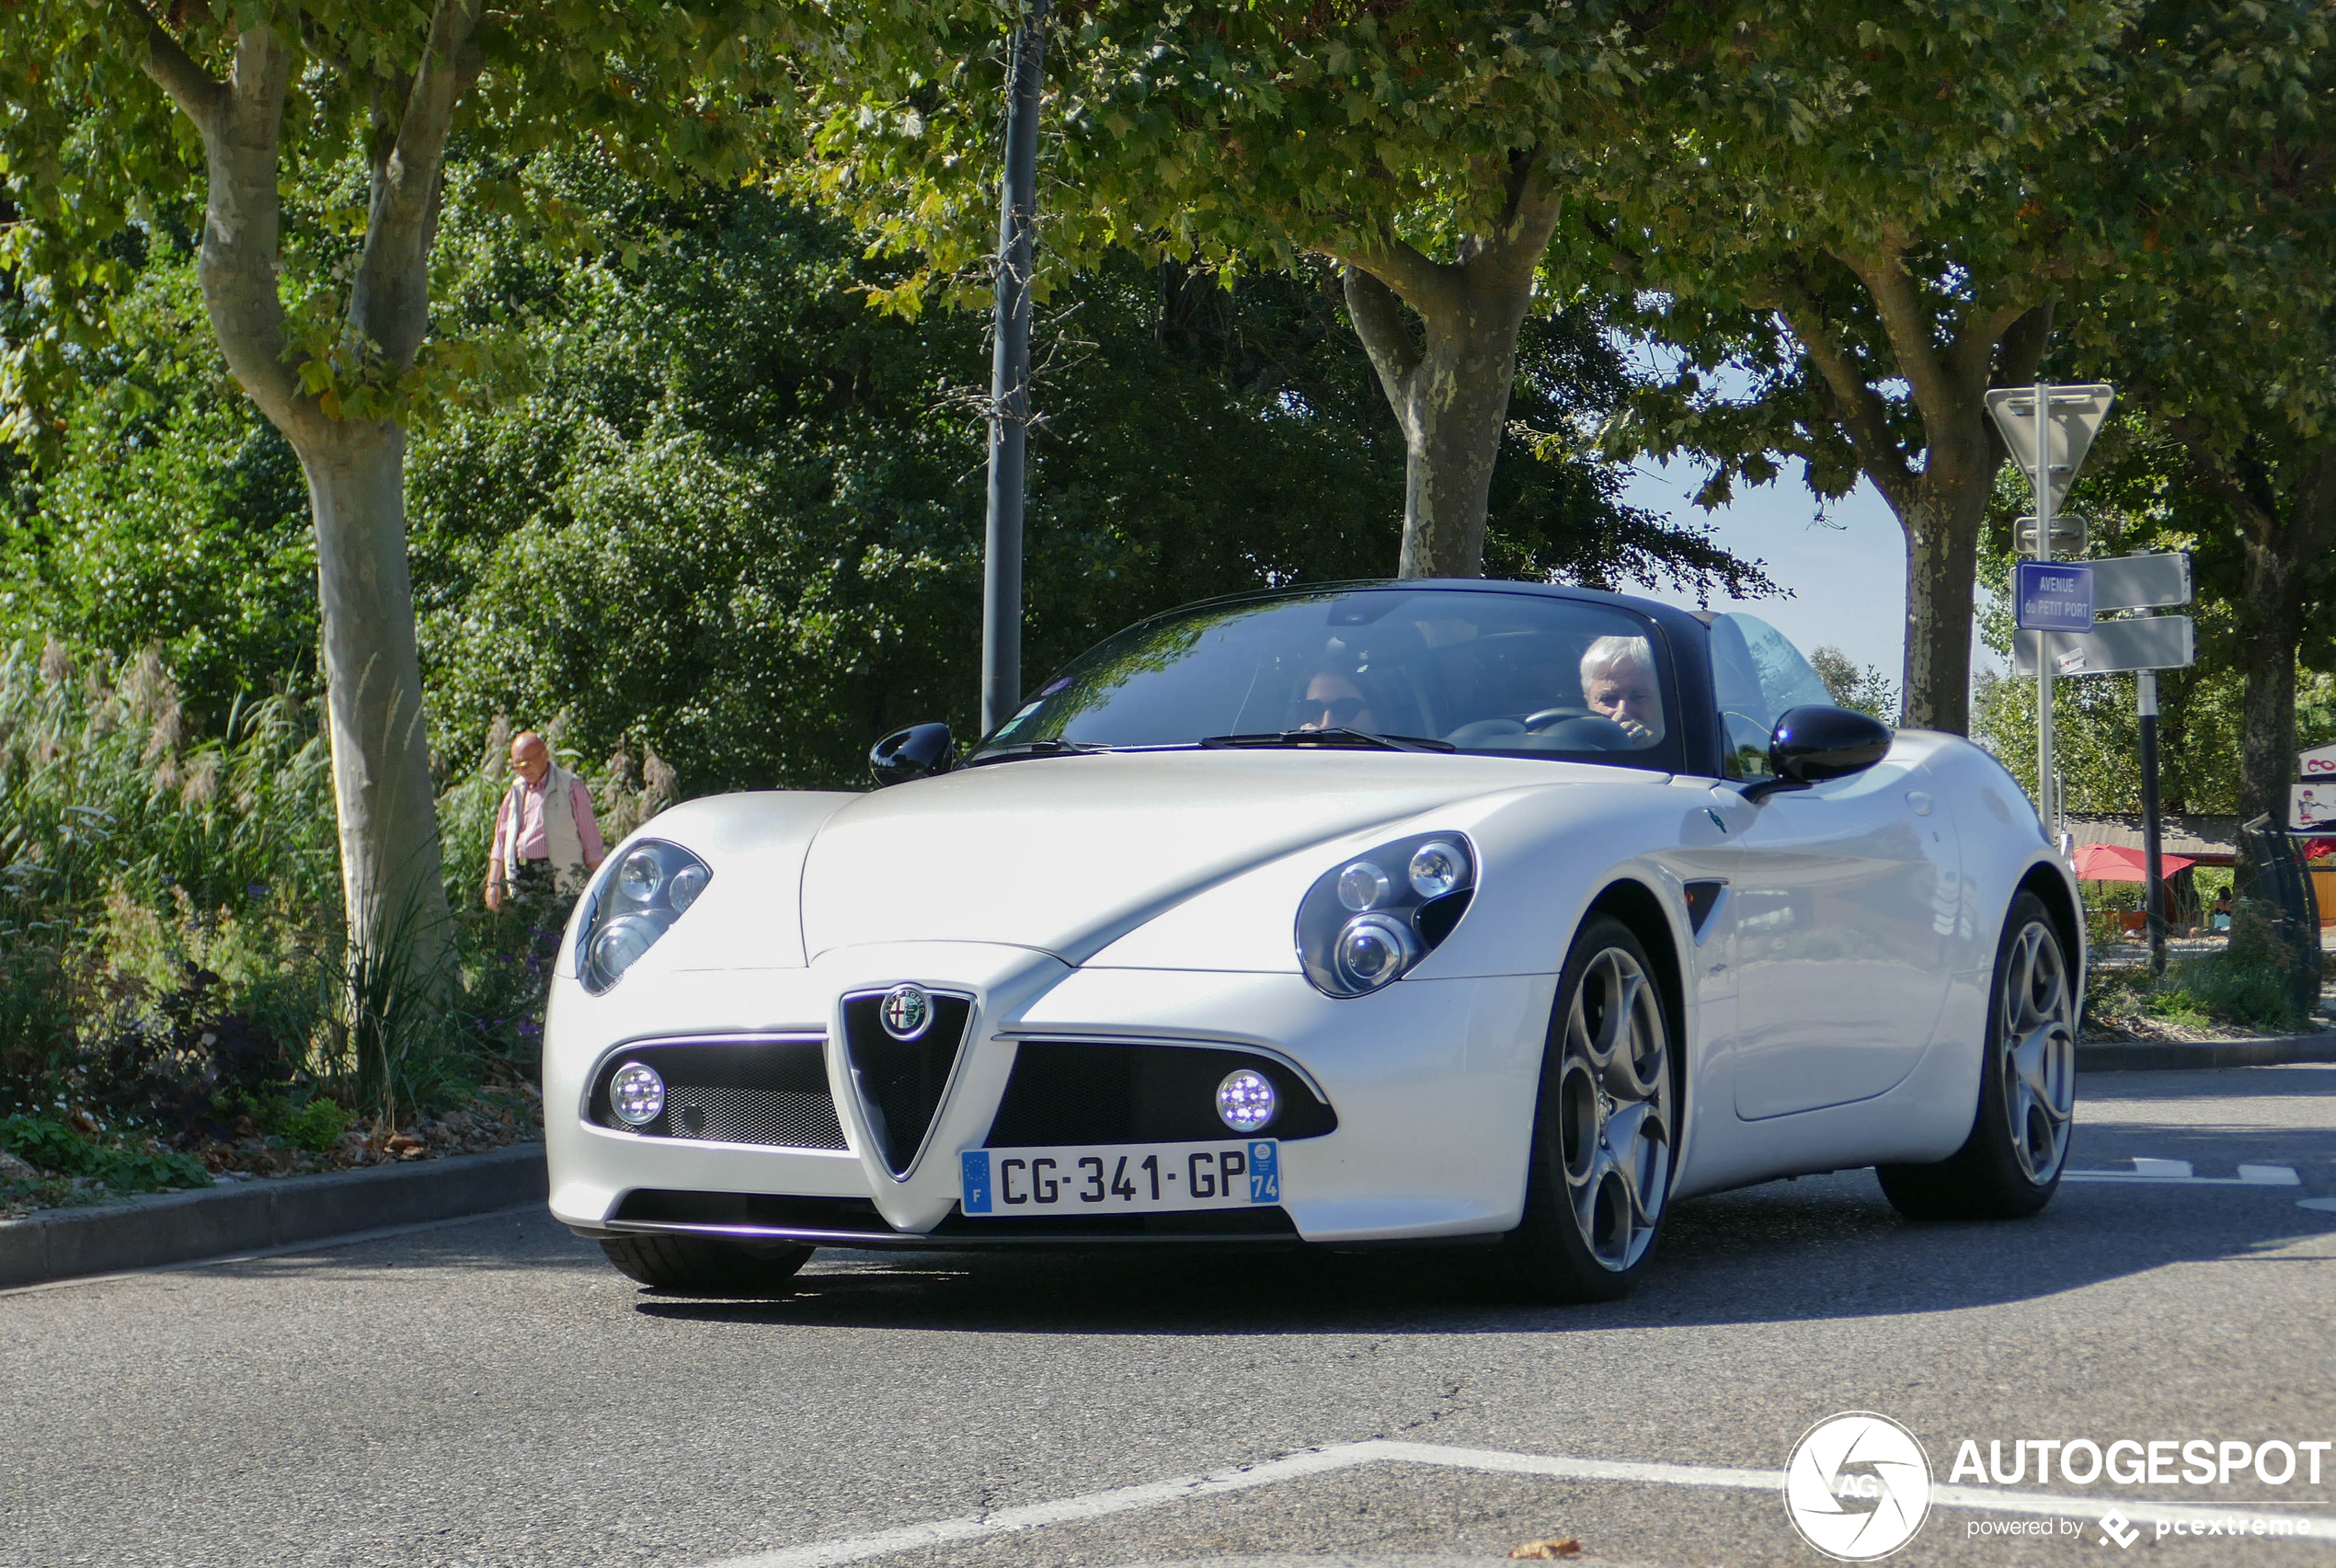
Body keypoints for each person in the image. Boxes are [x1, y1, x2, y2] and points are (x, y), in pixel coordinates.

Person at [486, 731, 607, 913]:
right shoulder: (515, 791)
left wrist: (602, 886)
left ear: (545, 755)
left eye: (526, 764)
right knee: (528, 937)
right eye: (516, 766)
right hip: (521, 877)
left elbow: (592, 844)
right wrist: (493, 884)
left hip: (559, 878)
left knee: (555, 937)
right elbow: (501, 840)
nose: (522, 771)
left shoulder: (571, 787)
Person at [1579, 635, 1666, 748]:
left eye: (1638, 697)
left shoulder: (1686, 752)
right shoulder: (1570, 751)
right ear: (1588, 703)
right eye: (1608, 698)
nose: (1622, 711)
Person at [1291, 666, 1380, 733]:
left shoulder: (1391, 755)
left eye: (1344, 709)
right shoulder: (1283, 754)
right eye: (1314, 709)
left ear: (1375, 717)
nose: (1326, 724)